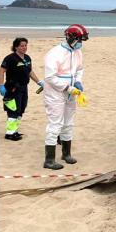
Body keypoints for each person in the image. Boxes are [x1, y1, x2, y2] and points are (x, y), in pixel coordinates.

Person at [42, 24, 89, 169]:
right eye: (79, 40)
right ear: (71, 37)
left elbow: (79, 69)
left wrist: (78, 82)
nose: (80, 43)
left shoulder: (77, 52)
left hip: (71, 93)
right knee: (55, 124)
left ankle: (66, 154)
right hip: (55, 93)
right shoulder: (55, 53)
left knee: (68, 123)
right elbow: (50, 77)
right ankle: (49, 160)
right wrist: (68, 88)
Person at [0, 37, 44, 141]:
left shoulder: (27, 58)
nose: (24, 47)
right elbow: (1, 71)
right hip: (12, 88)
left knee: (21, 109)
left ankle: (14, 130)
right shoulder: (10, 58)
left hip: (24, 87)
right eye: (21, 46)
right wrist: (1, 85)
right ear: (16, 47)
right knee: (13, 109)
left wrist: (39, 82)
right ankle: (9, 133)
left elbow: (30, 72)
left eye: (25, 45)